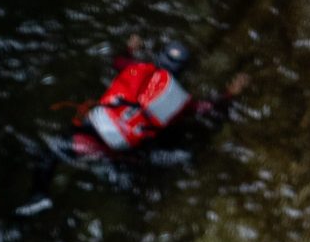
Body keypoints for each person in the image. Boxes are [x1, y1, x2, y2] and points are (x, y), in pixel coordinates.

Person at [47, 40, 243, 165]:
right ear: (182, 71)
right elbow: (205, 108)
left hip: (95, 128)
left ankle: (40, 192)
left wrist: (130, 48)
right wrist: (229, 94)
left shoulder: (134, 68)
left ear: (159, 57)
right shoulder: (182, 102)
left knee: (54, 148)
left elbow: (117, 62)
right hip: (125, 148)